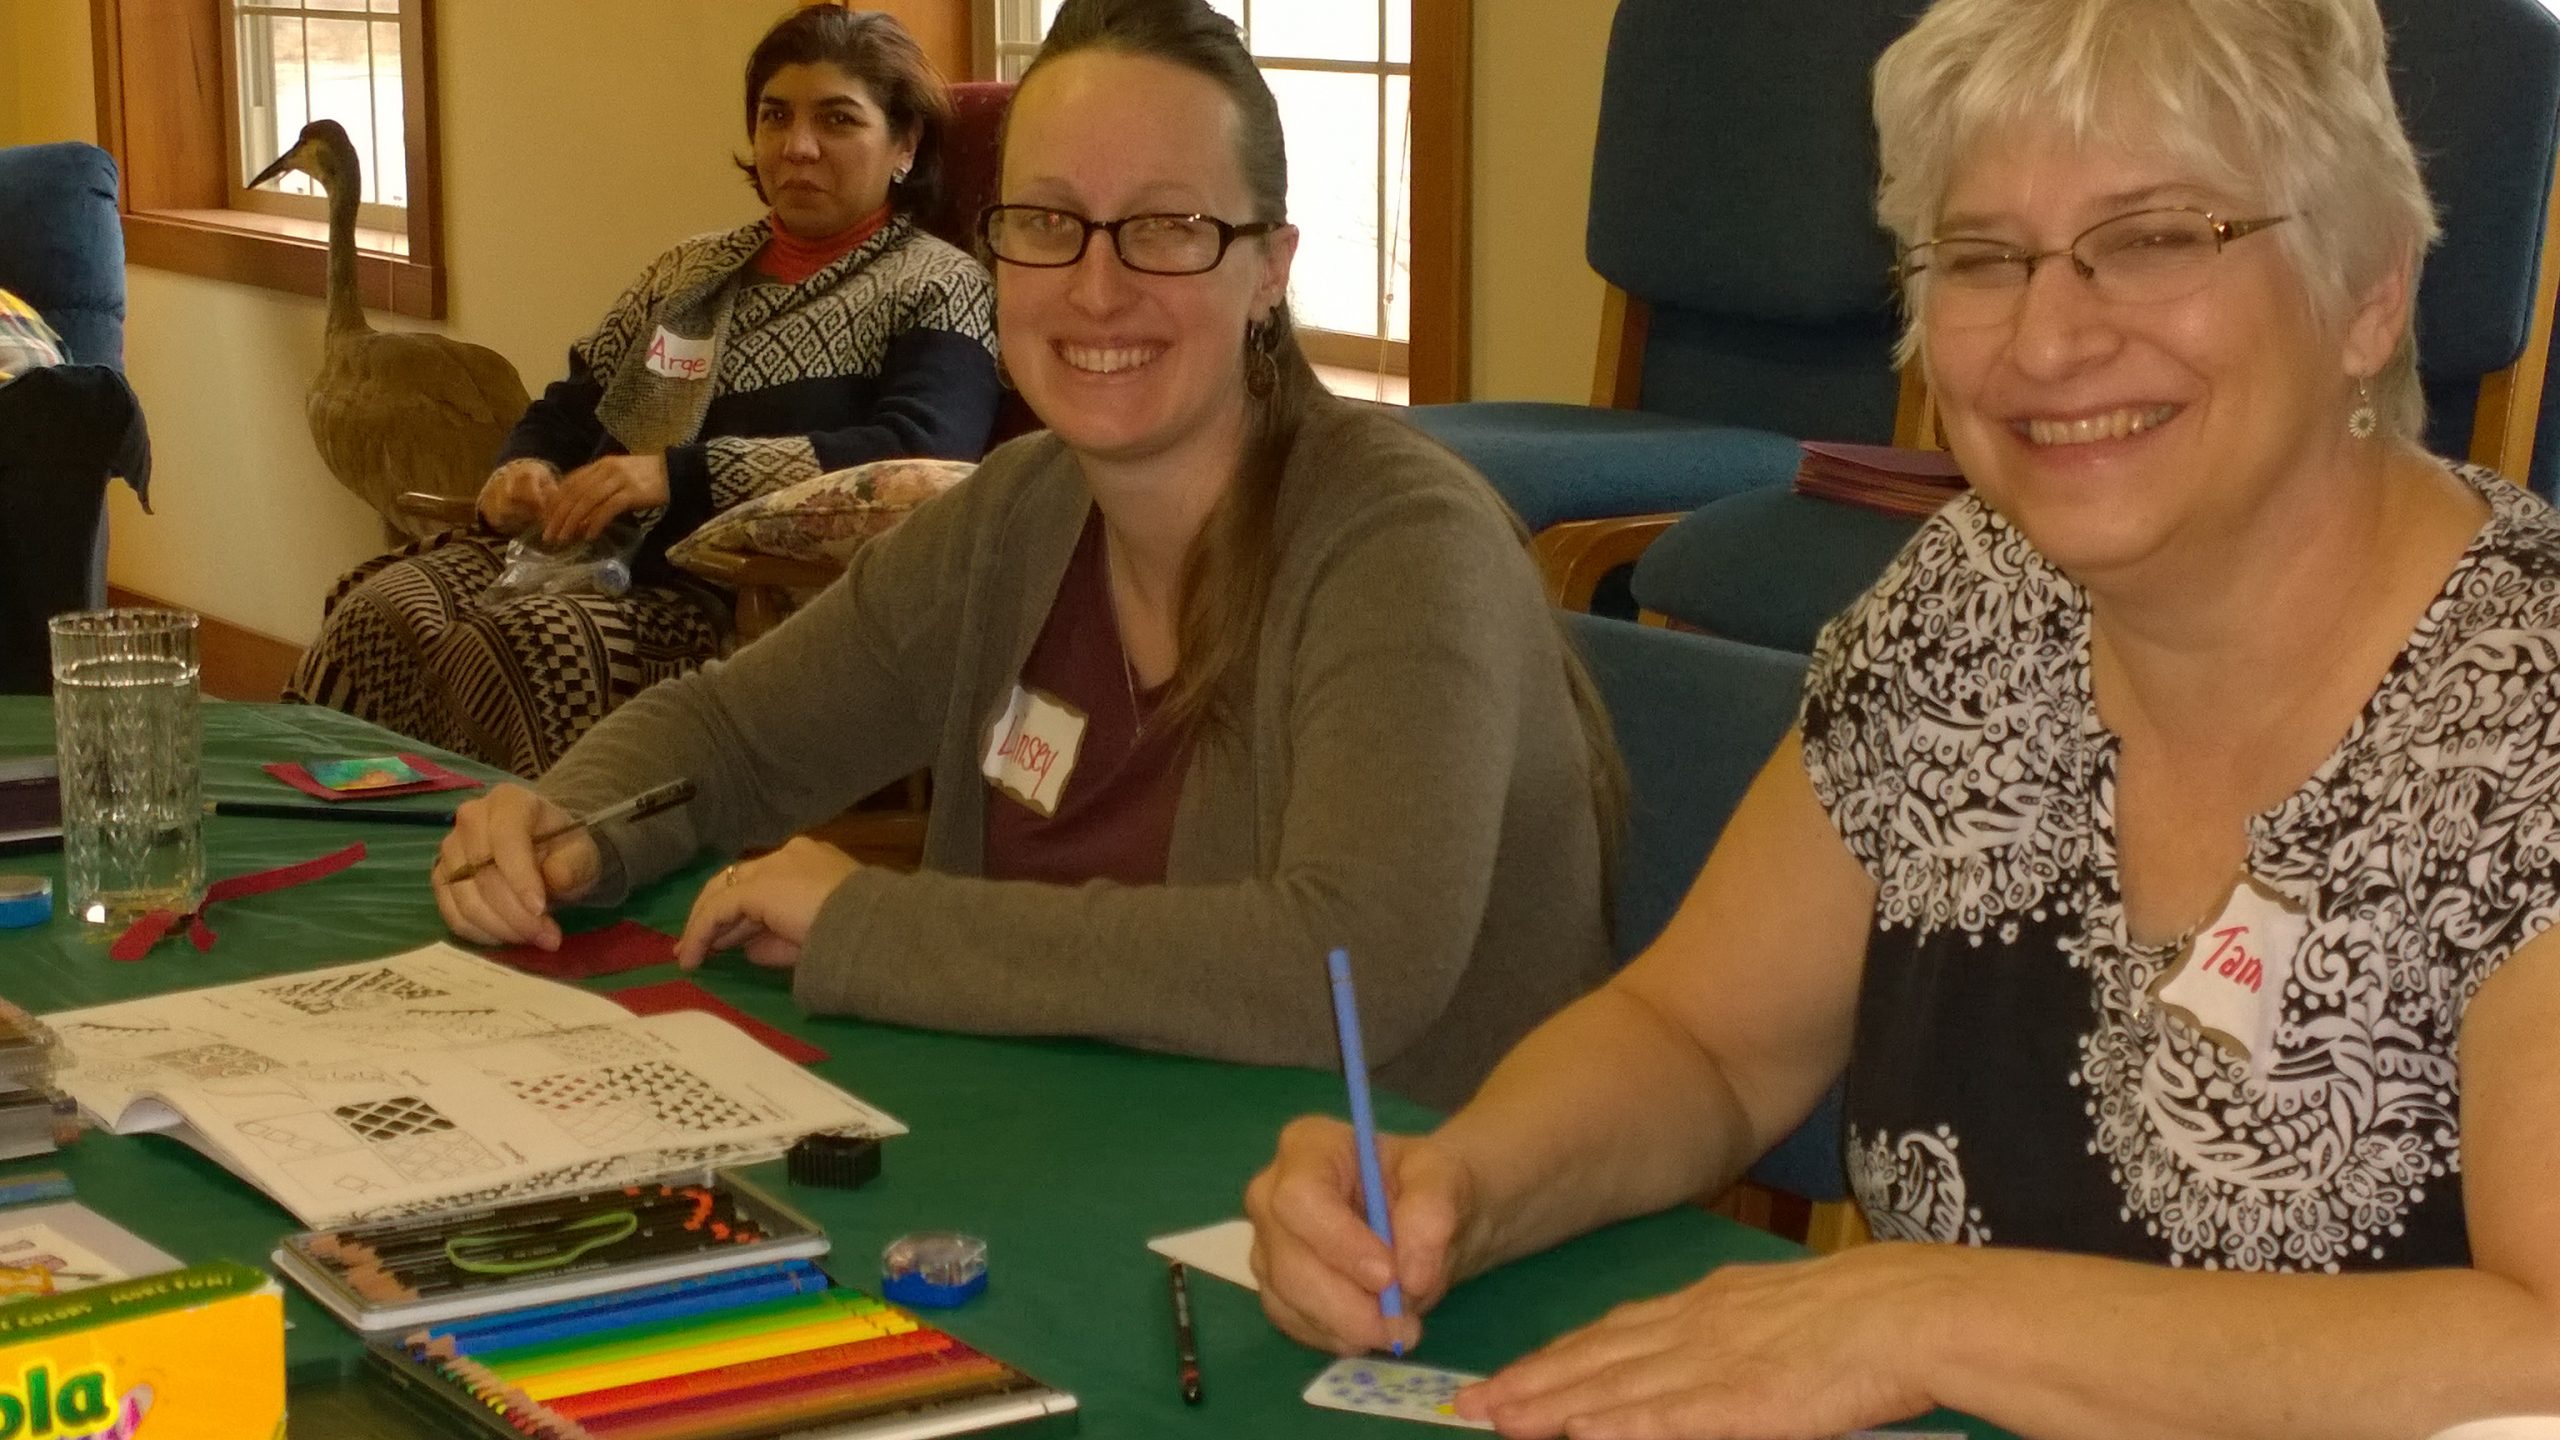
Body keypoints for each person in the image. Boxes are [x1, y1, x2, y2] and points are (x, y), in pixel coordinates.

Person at [1247, 0, 2560, 1434]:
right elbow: (1707, 1041)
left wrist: (1923, 1316)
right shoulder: (1974, 604)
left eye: (2158, 237)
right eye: (1983, 257)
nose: (2050, 339)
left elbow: (2541, 1345)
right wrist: (1468, 1187)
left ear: (2370, 286)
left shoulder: (2525, 709)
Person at [427, 0, 1620, 1112]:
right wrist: (567, 821)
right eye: (1046, 222)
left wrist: (873, 924)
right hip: (1077, 1149)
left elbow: (1341, 968)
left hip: (1390, 1236)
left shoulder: (1404, 543)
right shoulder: (1019, 514)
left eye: (1165, 227)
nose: (1095, 289)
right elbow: (735, 736)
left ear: (1269, 268)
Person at [286, 6, 1001, 777]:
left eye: (837, 120)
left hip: (740, 601)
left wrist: (673, 474)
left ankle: (532, 879)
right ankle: (341, 862)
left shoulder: (938, 284)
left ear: (905, 144)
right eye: (775, 116)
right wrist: (519, 470)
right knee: (378, 616)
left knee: (523, 652)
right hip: (567, 556)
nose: (797, 146)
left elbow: (917, 457)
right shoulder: (689, 271)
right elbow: (569, 406)